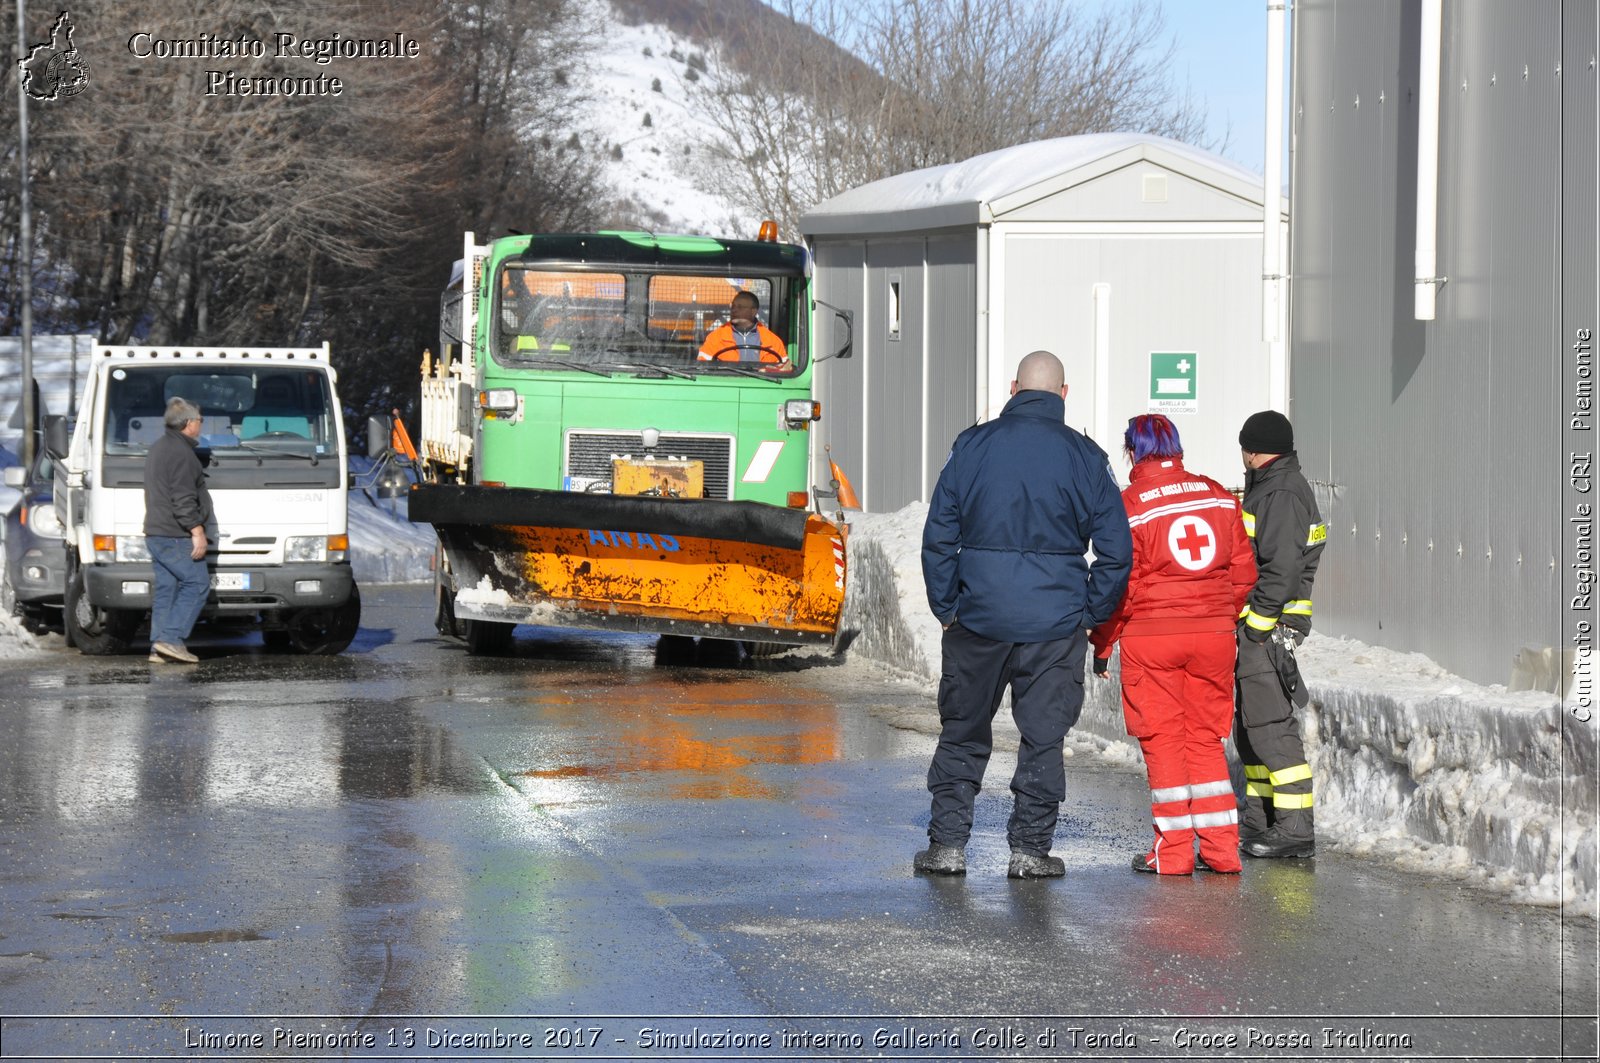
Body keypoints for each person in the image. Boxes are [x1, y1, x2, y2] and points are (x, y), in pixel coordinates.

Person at [917, 350, 1133, 879]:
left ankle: (948, 846)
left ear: (1013, 388)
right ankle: (1030, 851)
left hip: (978, 617)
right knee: (1043, 737)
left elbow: (939, 534)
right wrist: (1089, 612)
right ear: (1064, 394)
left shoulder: (971, 446)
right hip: (1054, 624)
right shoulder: (1086, 456)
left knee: (963, 731)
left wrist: (948, 606)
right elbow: (1116, 551)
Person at [1089, 415, 1256, 876]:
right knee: (1204, 740)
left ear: (1131, 452)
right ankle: (1222, 851)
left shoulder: (1129, 506)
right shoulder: (1220, 496)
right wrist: (1218, 617)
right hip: (1214, 638)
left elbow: (1121, 585)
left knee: (1163, 741)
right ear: (1177, 448)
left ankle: (1175, 853)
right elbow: (1243, 573)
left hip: (1153, 639)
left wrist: (1103, 642)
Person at [1234, 410, 1326, 858]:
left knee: (1270, 724)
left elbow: (1283, 568)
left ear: (1253, 449)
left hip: (1269, 628)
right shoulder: (1271, 486)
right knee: (1251, 725)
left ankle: (1294, 827)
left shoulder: (1283, 492)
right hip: (1265, 625)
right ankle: (1260, 817)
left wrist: (1257, 625)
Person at [143, 397, 213, 664]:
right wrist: (196, 530)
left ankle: (158, 646)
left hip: (157, 532)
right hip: (175, 534)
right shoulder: (182, 454)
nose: (201, 425)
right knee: (197, 584)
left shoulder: (160, 447)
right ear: (188, 423)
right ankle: (170, 640)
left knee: (167, 588)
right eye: (200, 420)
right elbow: (182, 499)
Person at [697, 291, 789, 367]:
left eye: (740, 307)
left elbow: (784, 370)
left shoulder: (773, 341)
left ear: (754, 311)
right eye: (733, 306)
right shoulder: (715, 338)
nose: (734, 310)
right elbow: (702, 367)